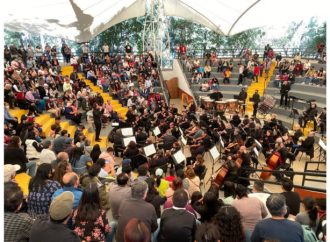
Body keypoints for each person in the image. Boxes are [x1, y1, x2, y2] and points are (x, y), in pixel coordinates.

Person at [108, 173, 132, 242]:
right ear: (127, 182)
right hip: (124, 218)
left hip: (114, 215)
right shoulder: (130, 191)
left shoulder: (111, 187)